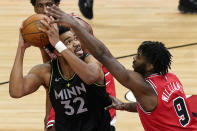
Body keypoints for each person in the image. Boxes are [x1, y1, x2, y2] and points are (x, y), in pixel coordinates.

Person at [45, 5, 197, 130]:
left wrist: (74, 25)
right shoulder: (171, 78)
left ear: (150, 66)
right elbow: (158, 107)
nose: (134, 59)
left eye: (139, 56)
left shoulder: (145, 86)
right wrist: (125, 106)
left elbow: (104, 55)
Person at [9, 18, 114, 131]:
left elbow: (90, 77)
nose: (77, 44)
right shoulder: (47, 72)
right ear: (57, 51)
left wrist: (59, 44)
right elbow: (16, 91)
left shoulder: (91, 60)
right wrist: (21, 48)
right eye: (69, 42)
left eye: (76, 38)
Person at [29, 0, 116, 129]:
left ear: (57, 4)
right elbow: (51, 78)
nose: (45, 10)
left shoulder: (76, 26)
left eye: (49, 5)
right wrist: (49, 113)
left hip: (93, 80)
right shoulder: (41, 33)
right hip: (66, 85)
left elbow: (90, 69)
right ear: (35, 9)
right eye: (40, 6)